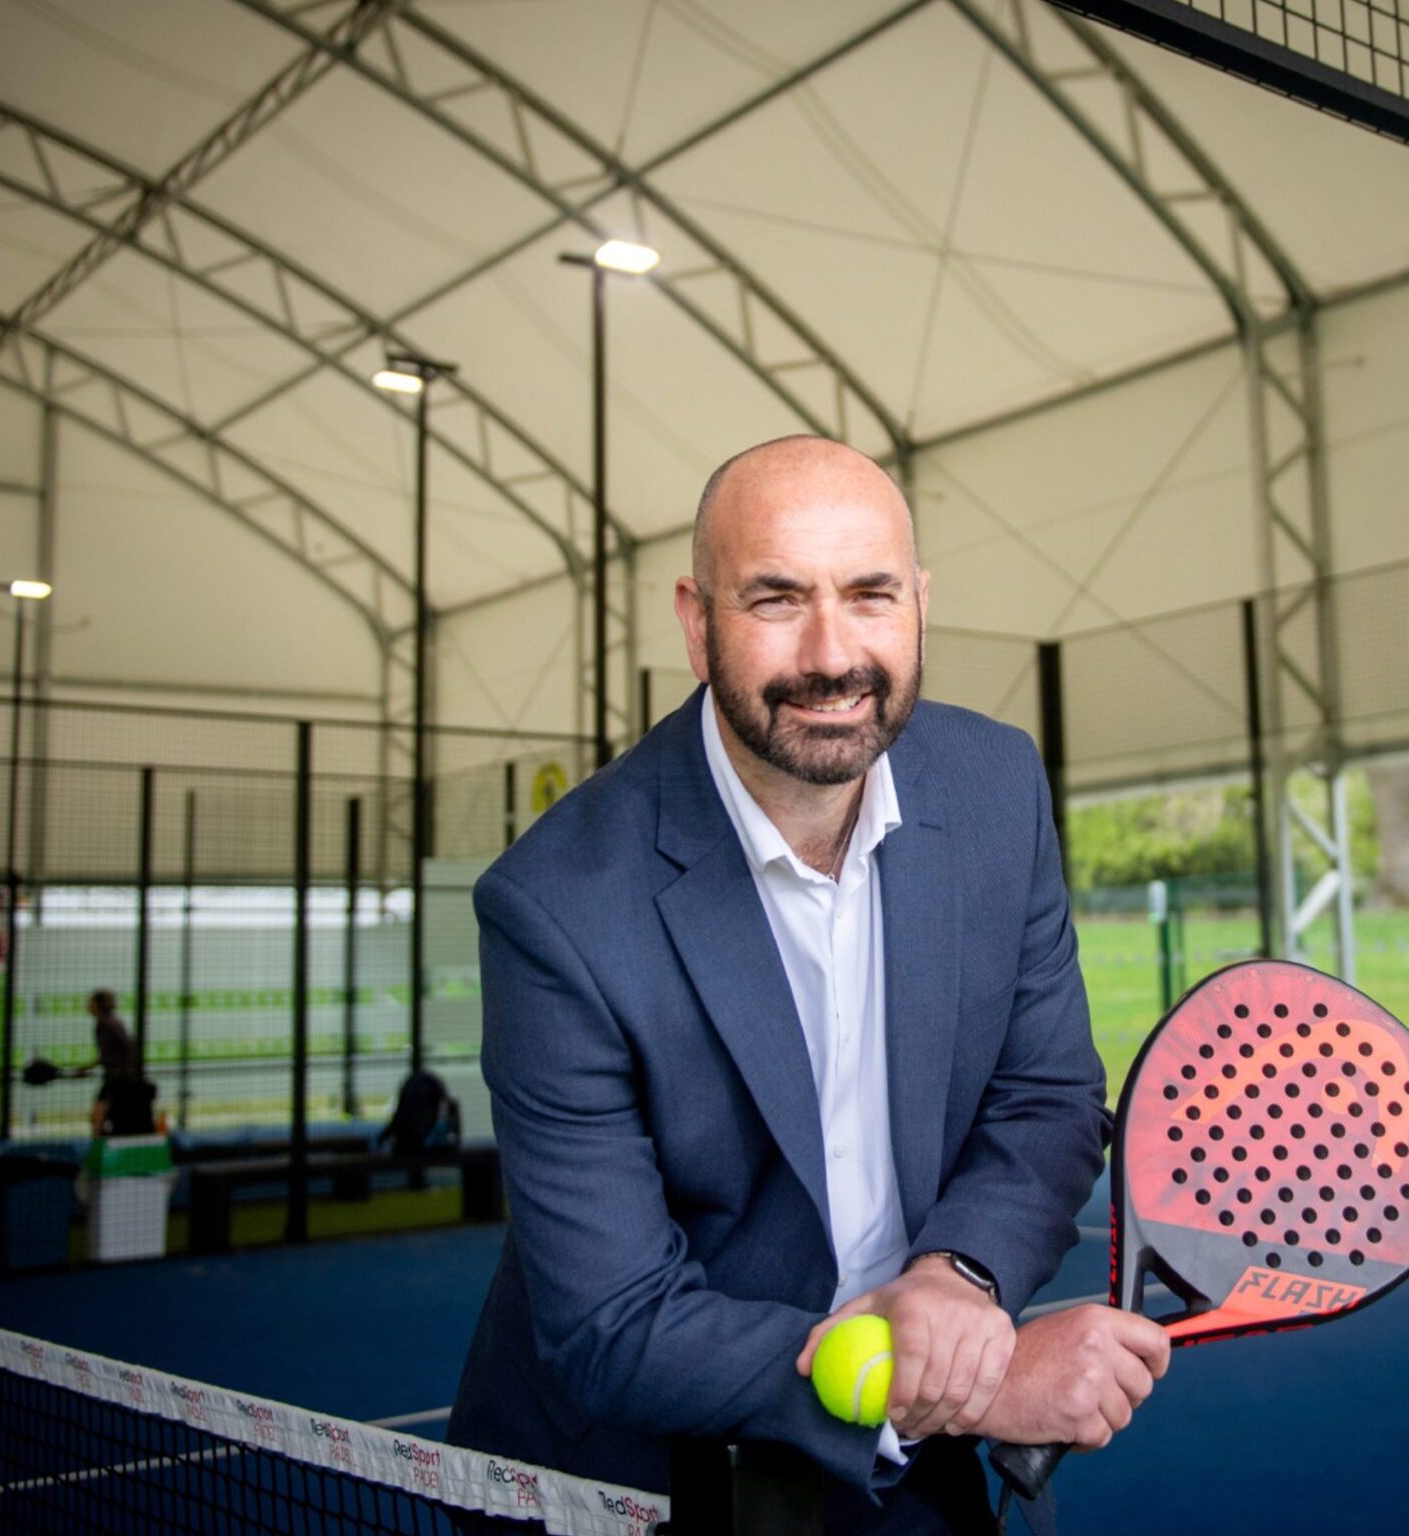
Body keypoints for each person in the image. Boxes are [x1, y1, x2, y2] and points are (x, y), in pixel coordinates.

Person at [449, 437, 1167, 1531]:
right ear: (697, 623)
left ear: (918, 603)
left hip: (907, 1471)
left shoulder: (994, 790)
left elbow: (1045, 1098)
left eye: (871, 594)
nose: (833, 654)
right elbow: (611, 1321)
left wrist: (958, 1282)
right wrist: (965, 1378)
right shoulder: (556, 906)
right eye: (776, 598)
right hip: (653, 1483)